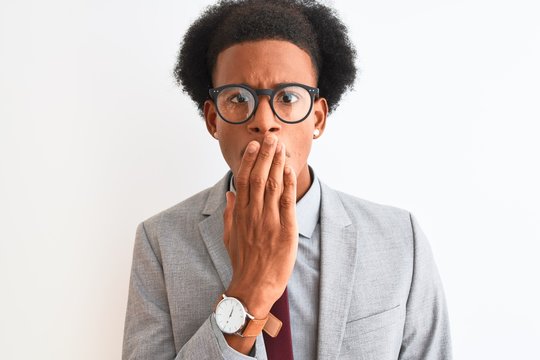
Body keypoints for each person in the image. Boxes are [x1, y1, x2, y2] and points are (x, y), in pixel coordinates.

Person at [122, 0, 452, 359]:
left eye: (288, 97)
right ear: (213, 120)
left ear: (318, 119)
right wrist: (247, 292)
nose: (264, 121)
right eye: (237, 98)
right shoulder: (160, 243)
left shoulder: (400, 239)